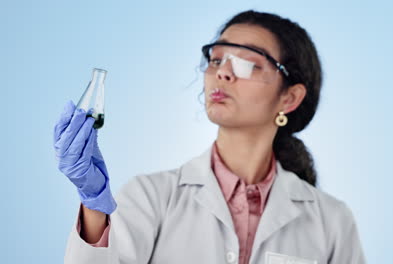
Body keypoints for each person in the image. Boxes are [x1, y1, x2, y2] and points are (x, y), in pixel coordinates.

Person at [54, 10, 366, 264]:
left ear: (289, 98)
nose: (223, 72)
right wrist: (93, 204)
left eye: (247, 63)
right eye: (216, 59)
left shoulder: (332, 222)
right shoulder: (151, 198)